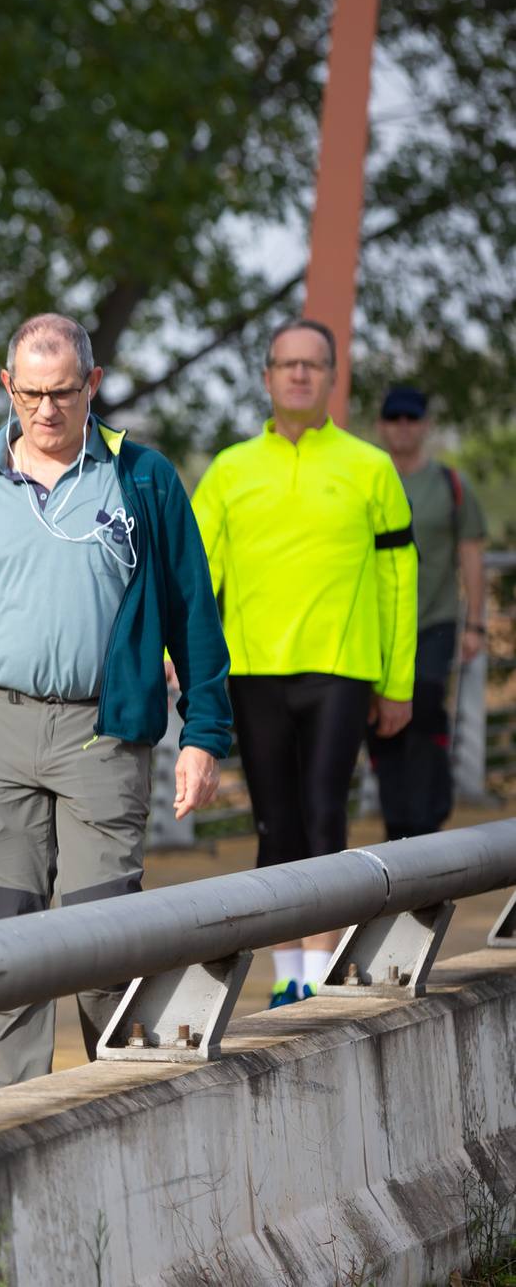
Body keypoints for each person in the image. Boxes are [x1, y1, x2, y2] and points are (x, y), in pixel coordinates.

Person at [0, 314, 230, 1087]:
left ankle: (116, 1104)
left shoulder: (141, 477)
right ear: (7, 387)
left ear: (93, 386)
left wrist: (203, 734)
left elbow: (191, 611)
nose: (46, 413)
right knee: (8, 956)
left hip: (102, 733)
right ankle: (23, 1123)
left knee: (102, 950)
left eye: (64, 393)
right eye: (31, 395)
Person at [196, 320, 418, 1006]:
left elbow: (398, 581)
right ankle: (287, 978)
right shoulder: (229, 470)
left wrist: (397, 681)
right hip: (254, 672)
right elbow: (196, 580)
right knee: (273, 824)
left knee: (324, 815)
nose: (298, 375)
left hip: (341, 667)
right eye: (286, 365)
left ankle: (319, 979)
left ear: (330, 379)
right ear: (266, 378)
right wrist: (185, 663)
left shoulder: (368, 467)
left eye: (312, 366)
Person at [369, 385, 487, 841]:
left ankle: (428, 820)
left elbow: (472, 554)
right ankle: (396, 823)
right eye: (394, 418)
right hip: (377, 628)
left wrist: (475, 622)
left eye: (411, 419)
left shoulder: (451, 485)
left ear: (425, 425)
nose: (402, 427)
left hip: (432, 623)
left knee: (423, 709)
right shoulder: (370, 476)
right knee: (381, 723)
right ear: (382, 425)